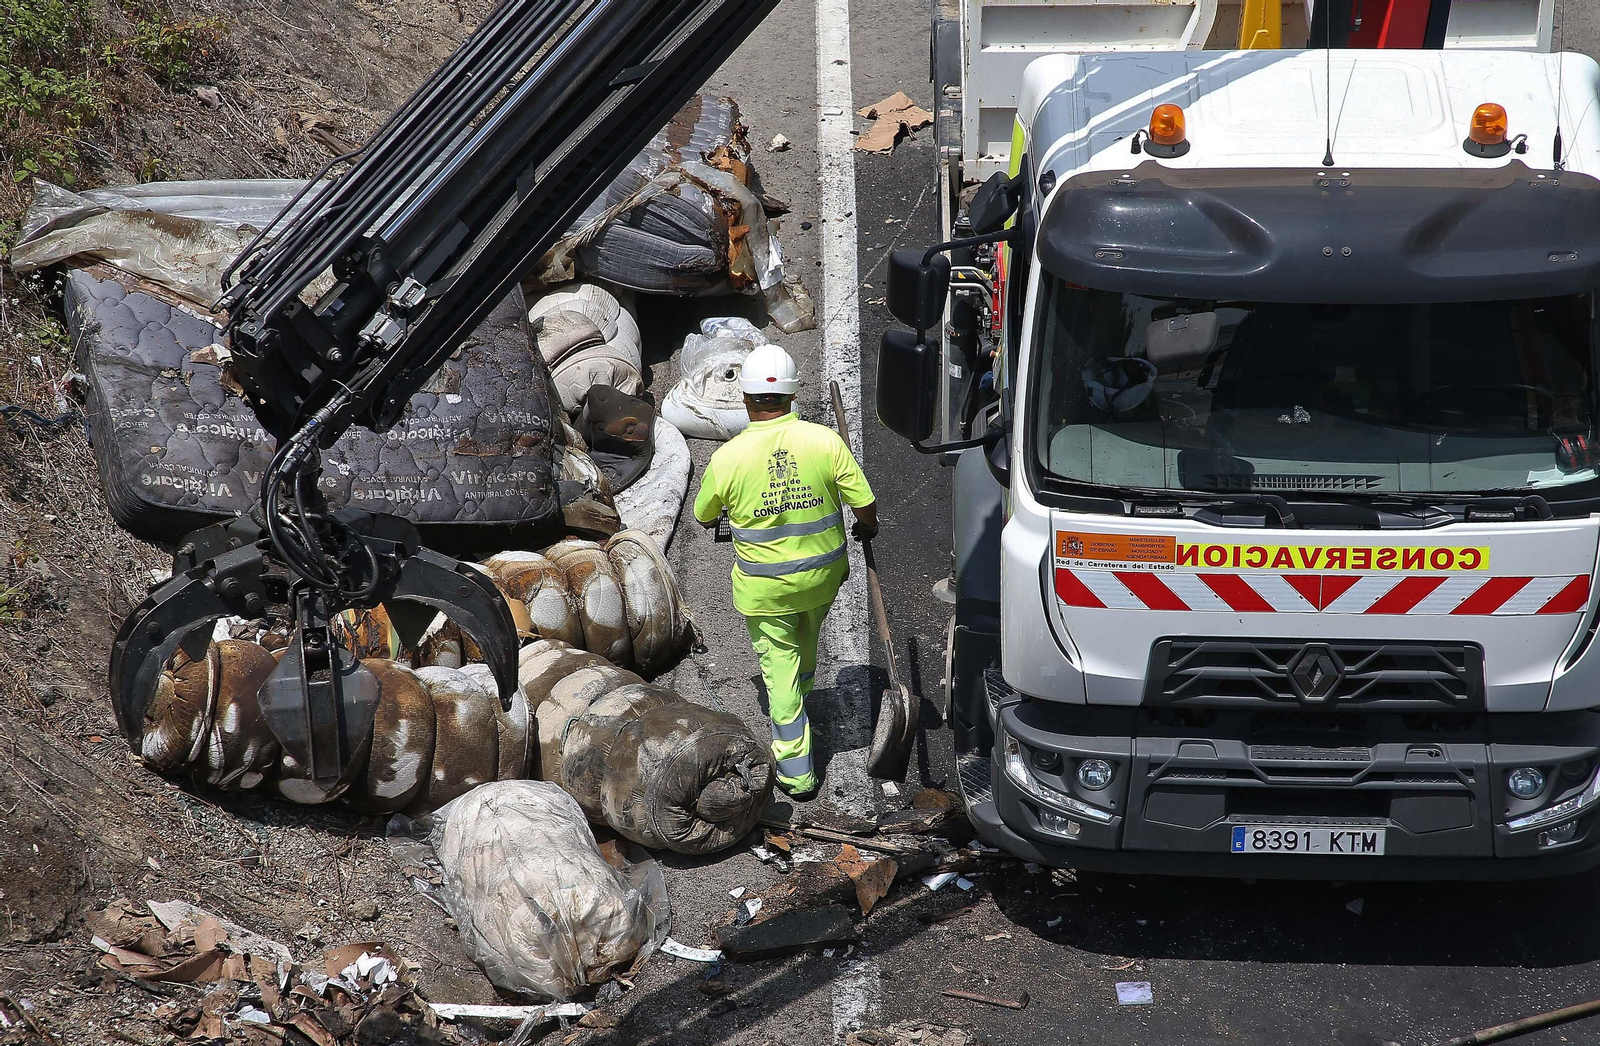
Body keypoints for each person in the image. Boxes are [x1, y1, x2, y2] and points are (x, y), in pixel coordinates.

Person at [693, 344, 878, 798]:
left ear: (746, 398)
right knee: (806, 636)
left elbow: (703, 515)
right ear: (792, 396)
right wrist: (866, 530)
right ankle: (804, 688)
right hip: (824, 579)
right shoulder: (824, 441)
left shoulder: (729, 458)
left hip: (766, 591)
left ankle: (797, 773)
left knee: (779, 671)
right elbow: (866, 507)